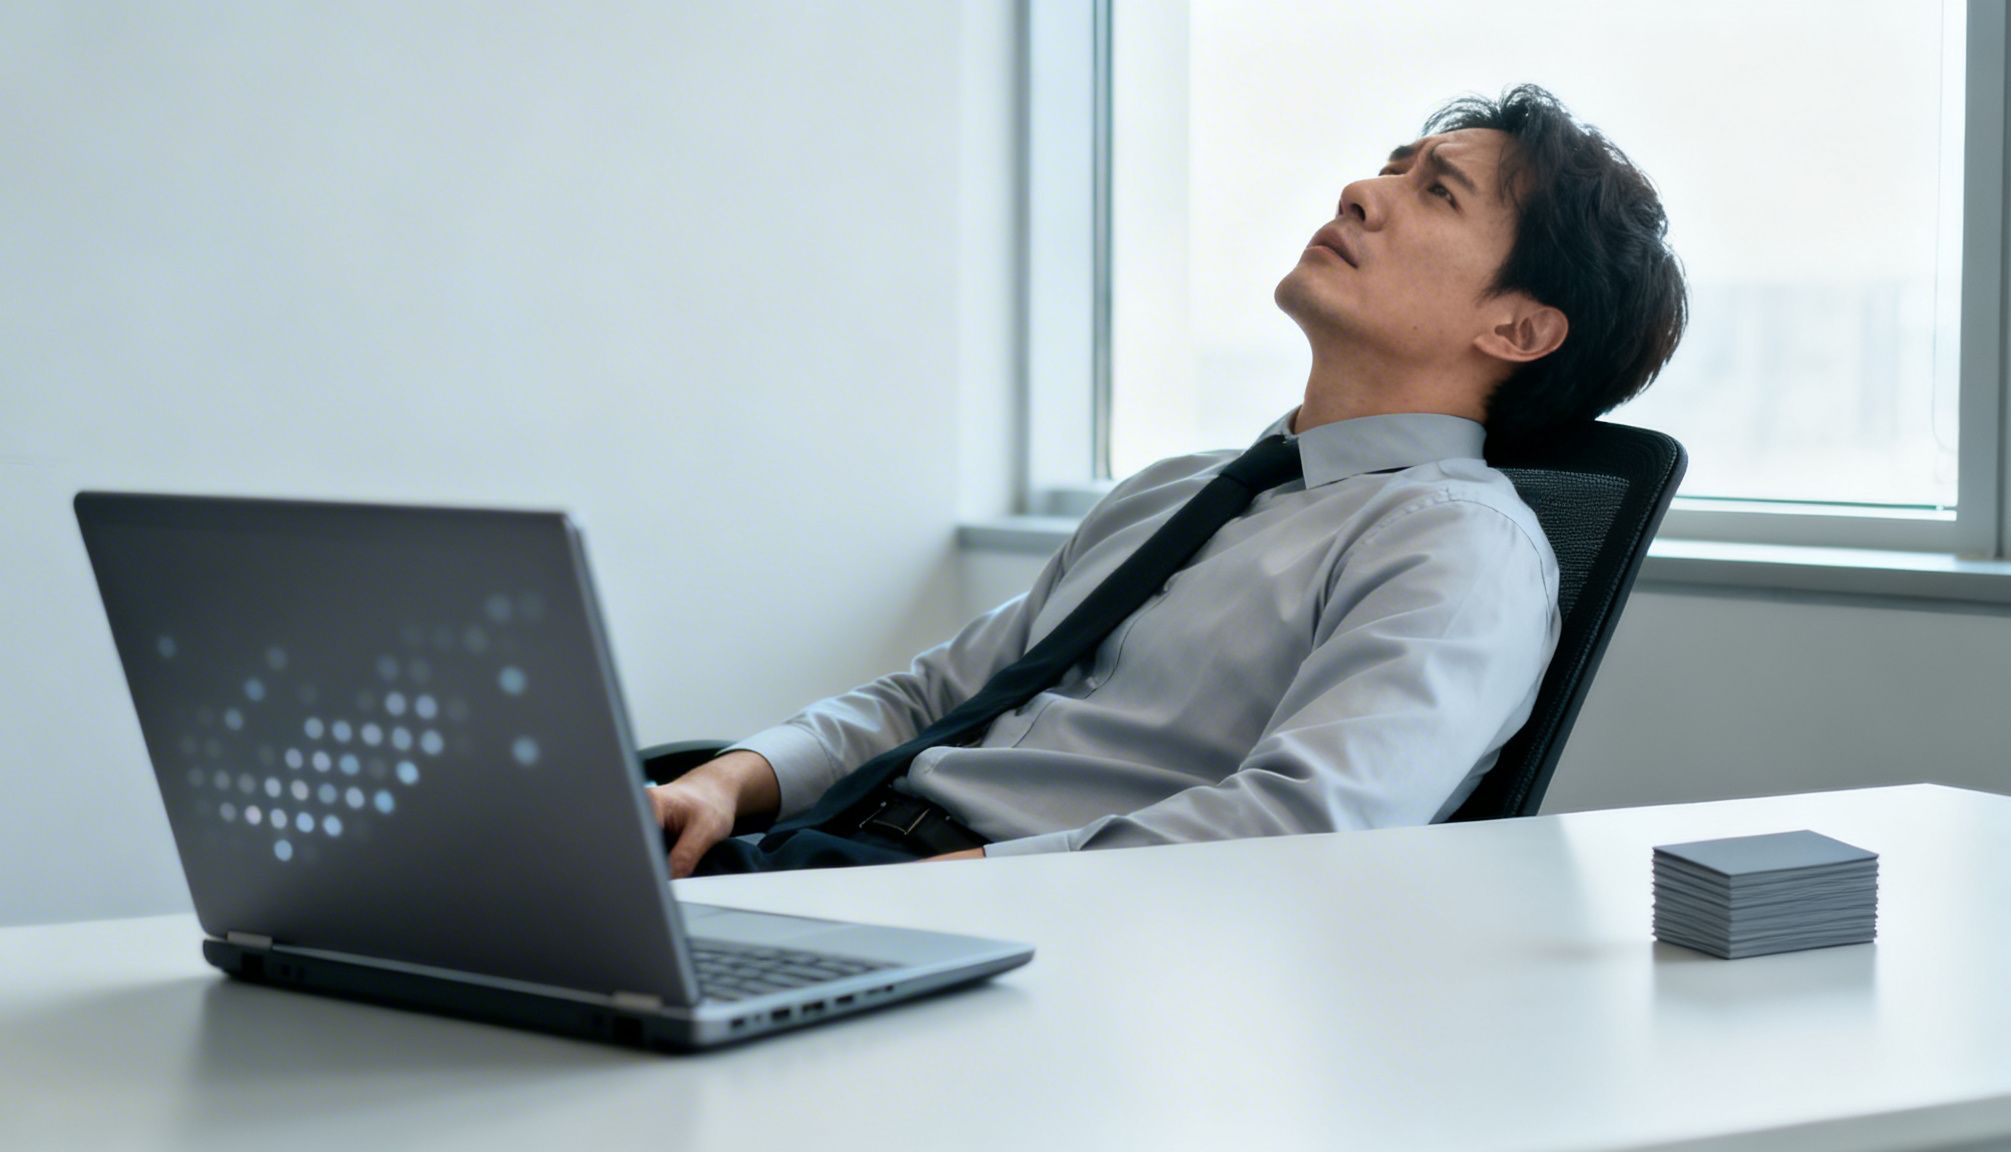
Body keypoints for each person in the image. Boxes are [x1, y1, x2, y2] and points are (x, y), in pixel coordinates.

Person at [651, 84, 1686, 877]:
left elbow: (1295, 831)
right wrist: (724, 781)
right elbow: (935, 696)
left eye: (1435, 192)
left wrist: (946, 889)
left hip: (1003, 928)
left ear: (1514, 328)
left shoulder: (1458, 549)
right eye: (1391, 165)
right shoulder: (1178, 490)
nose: (1360, 193)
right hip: (834, 859)